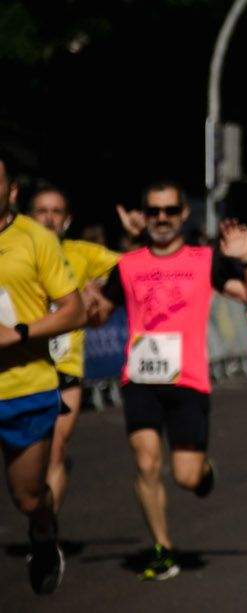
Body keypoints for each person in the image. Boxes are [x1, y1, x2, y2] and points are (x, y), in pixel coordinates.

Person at [95, 181, 247, 582]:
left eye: (170, 211)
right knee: (146, 462)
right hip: (139, 378)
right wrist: (79, 302)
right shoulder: (128, 264)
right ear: (144, 216)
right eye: (154, 212)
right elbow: (99, 312)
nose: (163, 219)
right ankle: (161, 548)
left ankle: (204, 473)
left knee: (186, 476)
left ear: (184, 214)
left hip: (188, 381)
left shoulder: (205, 260)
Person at [0, 159, 88, 596]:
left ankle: (43, 532)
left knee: (28, 498)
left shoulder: (36, 240)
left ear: (11, 190)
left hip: (24, 387)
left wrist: (17, 334)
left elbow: (75, 311)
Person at [24, 183, 119, 521]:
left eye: (56, 212)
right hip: (18, 369)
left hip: (64, 366)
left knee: (56, 449)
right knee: (23, 462)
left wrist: (102, 294)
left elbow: (133, 269)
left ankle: (45, 532)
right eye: (41, 211)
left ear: (67, 220)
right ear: (29, 216)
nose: (49, 219)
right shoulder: (12, 251)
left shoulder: (82, 254)